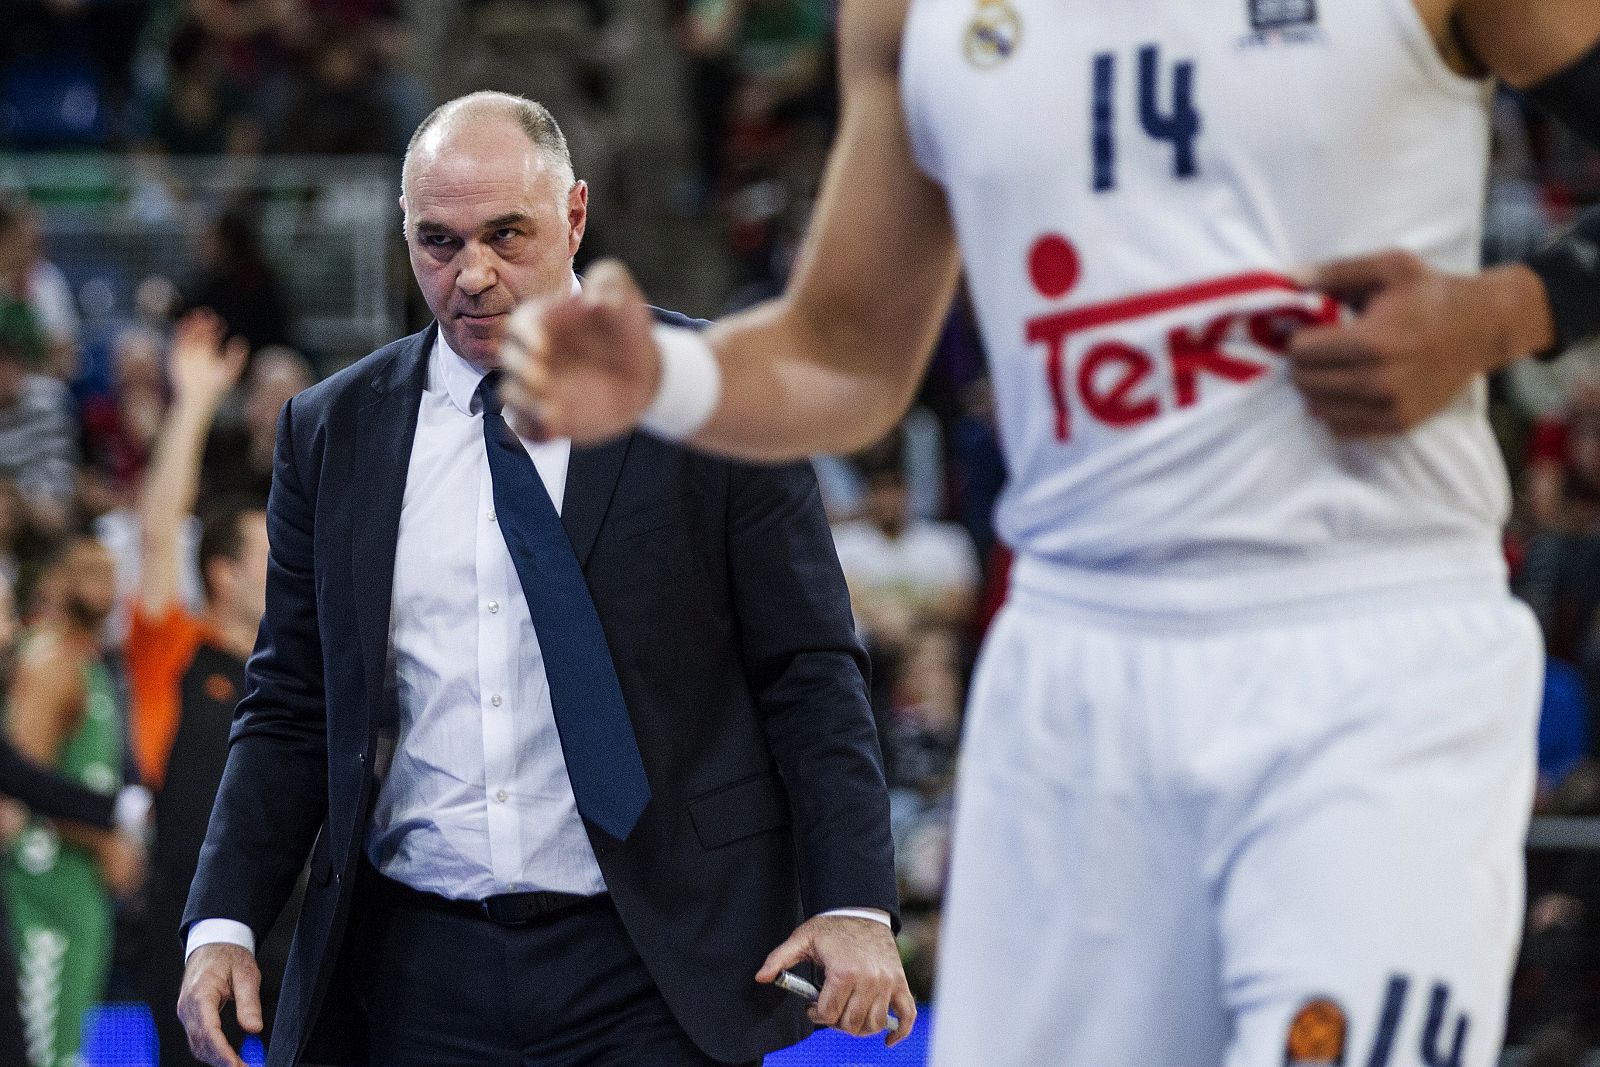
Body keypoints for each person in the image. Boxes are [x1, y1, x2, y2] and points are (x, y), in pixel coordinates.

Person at [501, 1, 1600, 1064]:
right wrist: (666, 375)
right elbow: (845, 350)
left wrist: (1502, 312)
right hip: (1075, 662)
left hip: (1367, 633)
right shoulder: (908, 13)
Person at [177, 92, 907, 1067]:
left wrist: (853, 900)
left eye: (505, 235)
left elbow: (808, 667)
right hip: (408, 967)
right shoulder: (332, 429)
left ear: (573, 217)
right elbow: (290, 702)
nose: (471, 273)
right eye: (437, 241)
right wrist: (223, 917)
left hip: (657, 952)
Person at [118, 309, 286, 1065]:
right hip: (188, 937)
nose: (286, 563)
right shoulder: (174, 655)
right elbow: (160, 531)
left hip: (291, 929)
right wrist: (193, 402)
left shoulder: (300, 666)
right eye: (266, 553)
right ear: (222, 574)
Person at [5, 537, 144, 1067]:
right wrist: (108, 835)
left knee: (67, 1052)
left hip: (80, 895)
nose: (105, 586)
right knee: (42, 1054)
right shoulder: (48, 661)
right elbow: (21, 790)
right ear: (56, 581)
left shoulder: (94, 663)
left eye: (111, 572)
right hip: (44, 895)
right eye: (89, 572)